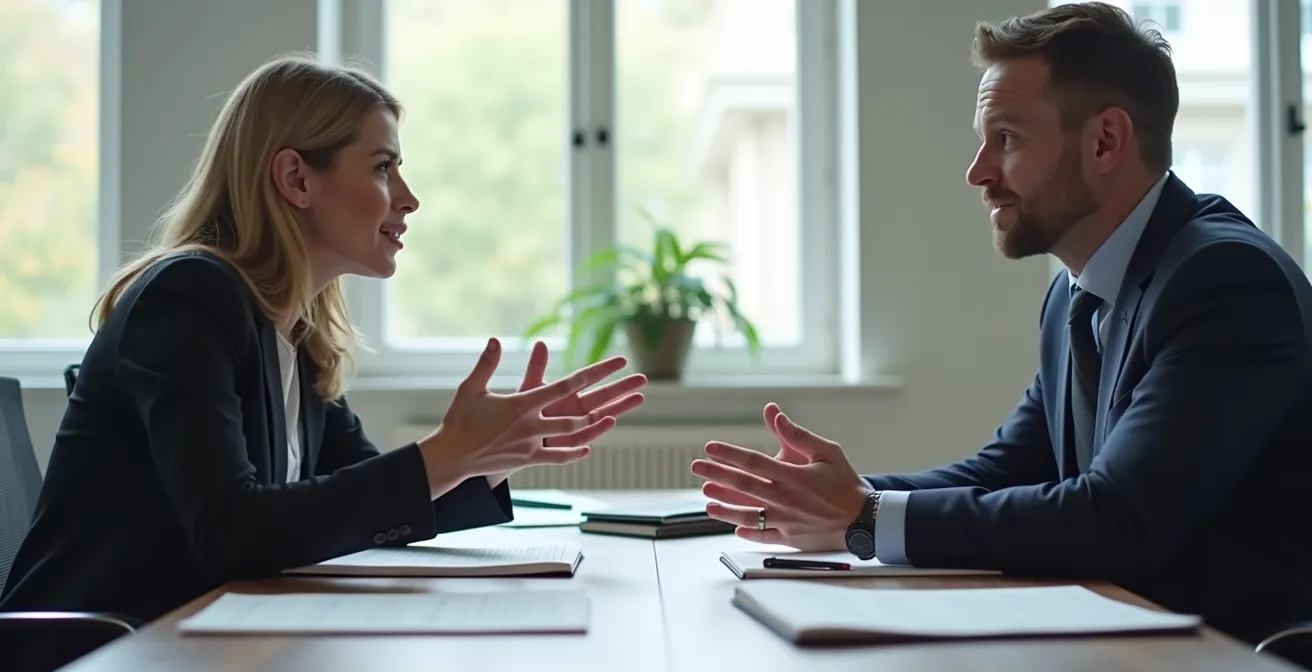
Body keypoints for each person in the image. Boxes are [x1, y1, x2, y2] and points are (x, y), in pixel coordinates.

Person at [692, 1, 1312, 646]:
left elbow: (1120, 518)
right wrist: (838, 498)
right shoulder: (1079, 295)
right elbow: (1004, 472)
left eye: (1007, 139)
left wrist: (868, 517)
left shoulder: (1225, 281)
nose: (978, 172)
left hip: (1231, 653)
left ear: (1106, 140)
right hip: (1129, 639)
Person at [0, 55, 646, 670]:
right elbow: (233, 531)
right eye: (384, 168)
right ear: (296, 179)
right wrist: (446, 453)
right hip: (103, 653)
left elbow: (354, 495)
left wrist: (480, 458)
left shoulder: (296, 330)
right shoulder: (188, 298)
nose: (409, 198)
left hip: (201, 644)